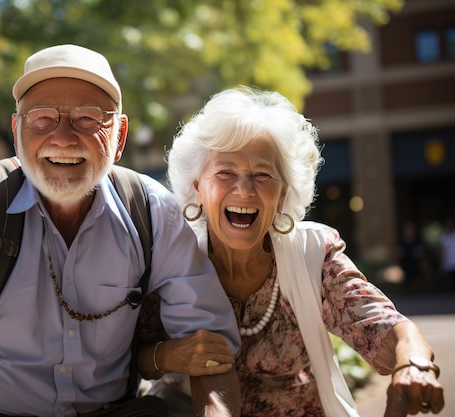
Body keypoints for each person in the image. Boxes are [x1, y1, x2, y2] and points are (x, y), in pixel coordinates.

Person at [0, 44, 241, 417]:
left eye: (87, 118)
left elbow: (209, 339)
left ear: (119, 136)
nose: (63, 137)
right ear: (17, 131)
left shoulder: (151, 209)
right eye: (43, 118)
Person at [137, 86, 445, 416]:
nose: (244, 189)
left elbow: (384, 327)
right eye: (225, 172)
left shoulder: (315, 255)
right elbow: (132, 356)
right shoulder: (172, 258)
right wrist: (169, 356)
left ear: (283, 194)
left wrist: (414, 365)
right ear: (198, 186)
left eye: (262, 175)